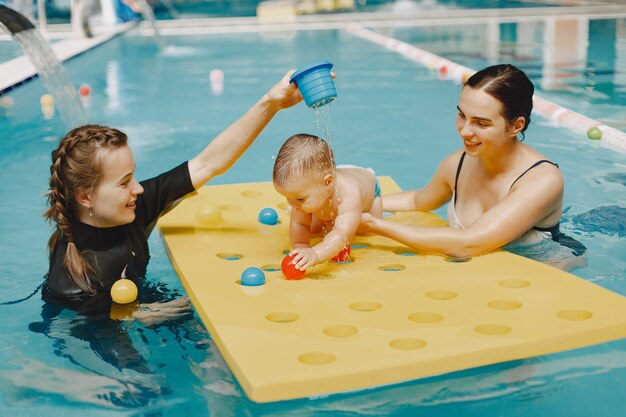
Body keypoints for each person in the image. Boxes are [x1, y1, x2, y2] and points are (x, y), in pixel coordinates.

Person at [43, 70, 306, 310]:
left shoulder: (126, 208)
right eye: (124, 183)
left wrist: (270, 103)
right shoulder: (71, 283)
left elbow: (207, 164)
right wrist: (172, 309)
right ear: (86, 196)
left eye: (133, 176)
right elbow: (103, 333)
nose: (138, 189)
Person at [360, 64, 586, 263]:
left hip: (545, 270)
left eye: (481, 123)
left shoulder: (542, 181)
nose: (465, 131)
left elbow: (468, 244)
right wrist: (362, 200)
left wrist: (374, 225)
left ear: (516, 126)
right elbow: (419, 199)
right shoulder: (456, 164)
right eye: (462, 116)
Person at [273, 133, 383, 271]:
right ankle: (327, 216)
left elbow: (342, 235)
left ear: (328, 182)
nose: (293, 204)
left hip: (369, 188)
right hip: (325, 180)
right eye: (288, 198)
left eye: (300, 199)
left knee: (366, 231)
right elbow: (299, 225)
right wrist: (300, 251)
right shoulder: (304, 191)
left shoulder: (349, 193)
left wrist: (315, 254)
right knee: (313, 228)